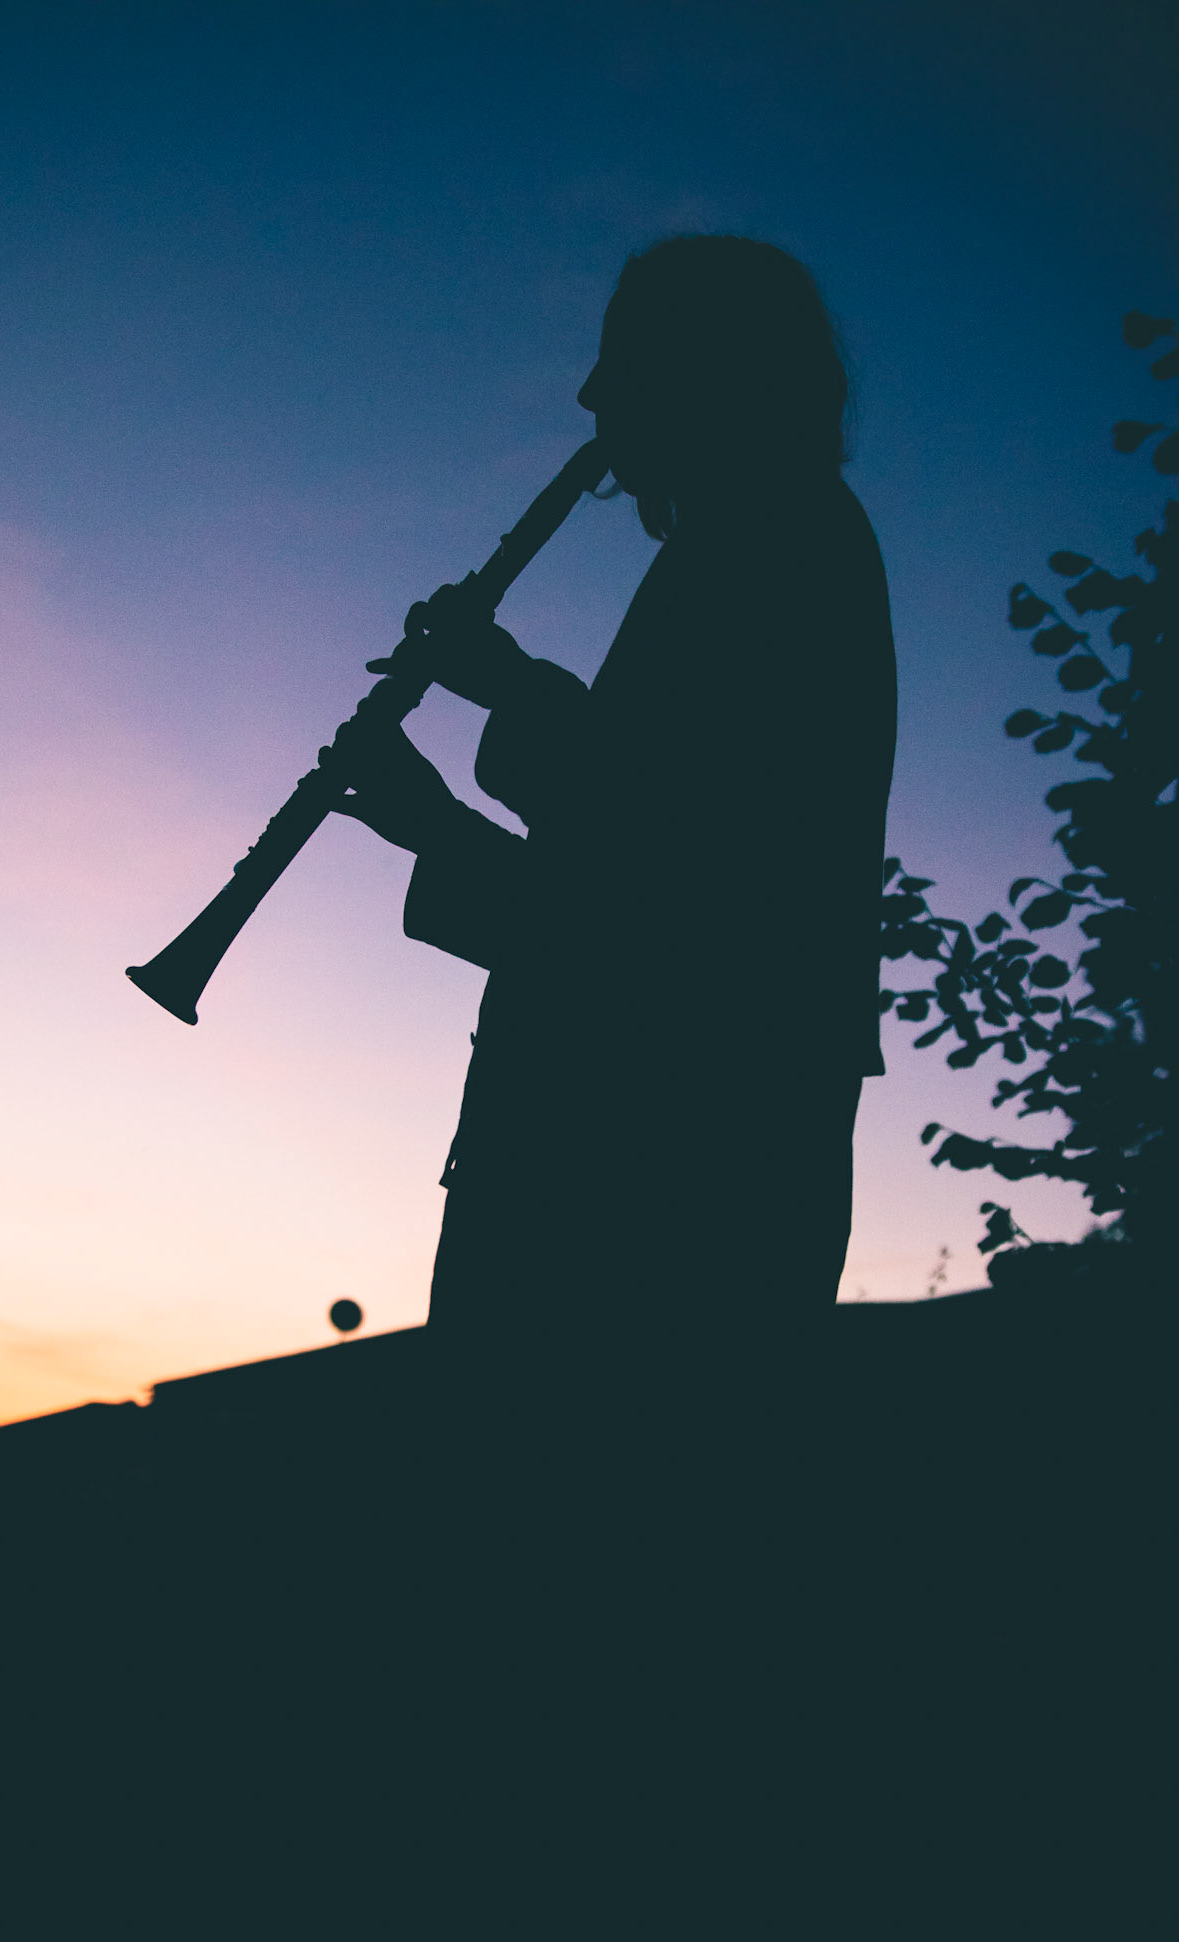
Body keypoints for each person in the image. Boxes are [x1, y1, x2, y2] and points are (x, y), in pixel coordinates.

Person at [328, 235, 896, 1378]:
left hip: (656, 1182)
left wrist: (443, 809)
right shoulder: (759, 540)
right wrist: (491, 710)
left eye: (622, 362)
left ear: (710, 372)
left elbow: (672, 900)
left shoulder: (781, 541)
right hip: (649, 1162)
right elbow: (648, 848)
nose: (591, 395)